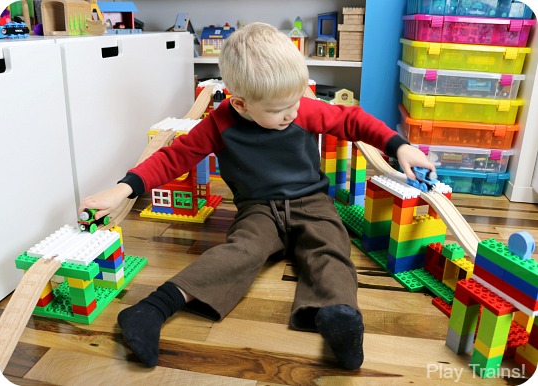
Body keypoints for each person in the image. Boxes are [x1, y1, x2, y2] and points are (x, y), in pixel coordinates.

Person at [79, 22, 436, 370]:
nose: (292, 113)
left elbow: (354, 120)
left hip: (311, 201)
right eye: (280, 110)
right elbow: (175, 157)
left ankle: (338, 313)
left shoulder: (303, 108)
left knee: (329, 243)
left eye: (294, 104)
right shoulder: (220, 123)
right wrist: (124, 188)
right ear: (241, 104)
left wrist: (399, 146)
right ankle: (153, 308)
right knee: (241, 251)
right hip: (257, 208)